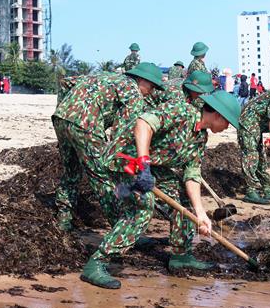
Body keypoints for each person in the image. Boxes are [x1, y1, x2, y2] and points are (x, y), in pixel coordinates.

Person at [81, 90, 241, 289]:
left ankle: (181, 255)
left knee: (182, 196)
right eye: (228, 123)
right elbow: (143, 124)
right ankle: (97, 263)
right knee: (142, 208)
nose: (227, 128)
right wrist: (144, 166)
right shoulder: (180, 110)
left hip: (153, 167)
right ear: (218, 115)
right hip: (125, 159)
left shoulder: (200, 138)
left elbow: (191, 174)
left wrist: (200, 213)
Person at [51, 62, 165, 232]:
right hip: (86, 125)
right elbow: (125, 131)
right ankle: (119, 229)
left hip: (61, 118)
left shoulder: (106, 76)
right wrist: (130, 164)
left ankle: (64, 219)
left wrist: (64, 109)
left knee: (71, 171)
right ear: (141, 79)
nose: (152, 91)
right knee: (102, 176)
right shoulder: (133, 91)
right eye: (152, 86)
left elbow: (66, 83)